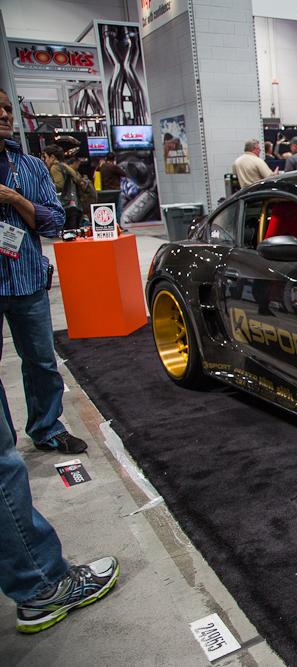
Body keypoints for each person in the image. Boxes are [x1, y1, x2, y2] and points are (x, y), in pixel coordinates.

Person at [0, 89, 118, 633]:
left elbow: (54, 220)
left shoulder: (28, 167)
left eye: (8, 109)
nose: (5, 116)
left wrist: (14, 200)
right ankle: (41, 587)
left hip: (24, 280)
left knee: (41, 363)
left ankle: (45, 428)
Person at [41, 145, 82, 229]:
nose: (44, 160)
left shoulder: (55, 167)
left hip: (64, 205)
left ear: (52, 157)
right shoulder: (65, 166)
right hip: (74, 204)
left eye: (45, 157)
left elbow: (60, 185)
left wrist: (46, 187)